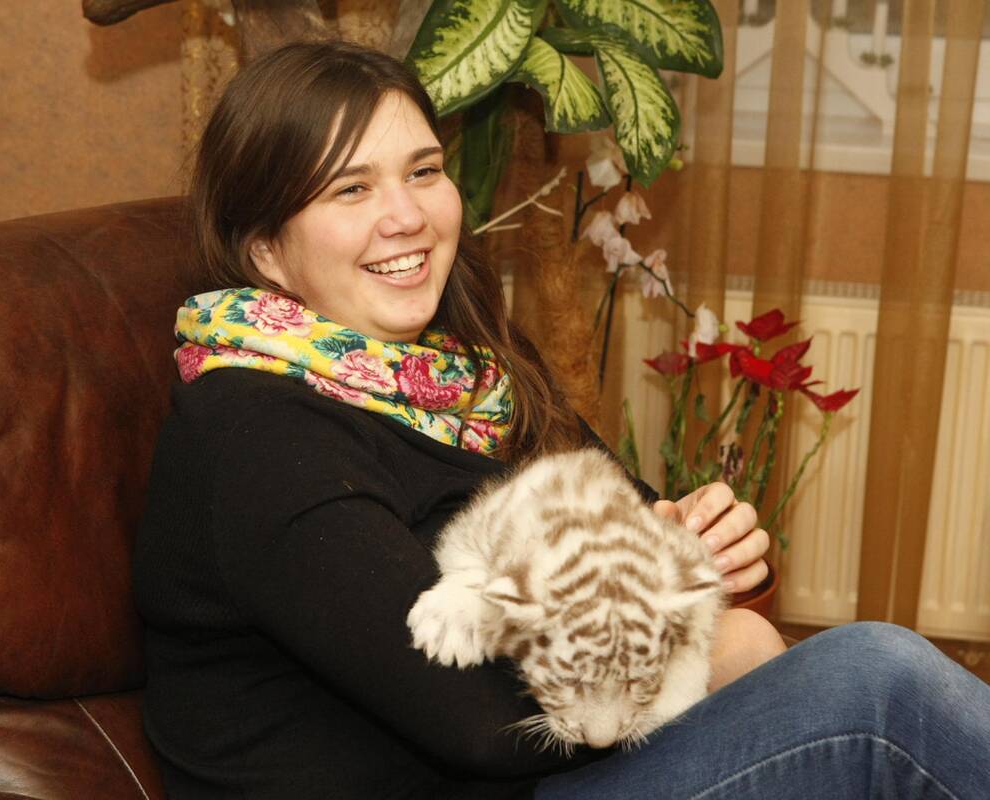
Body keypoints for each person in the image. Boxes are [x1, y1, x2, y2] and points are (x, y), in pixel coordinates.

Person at [132, 40, 990, 800]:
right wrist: (713, 641)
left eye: (423, 171)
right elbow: (476, 717)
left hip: (560, 773)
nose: (407, 216)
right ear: (266, 250)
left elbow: (643, 524)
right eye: (351, 188)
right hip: (509, 777)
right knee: (874, 686)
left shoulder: (469, 375)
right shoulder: (256, 439)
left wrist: (713, 546)